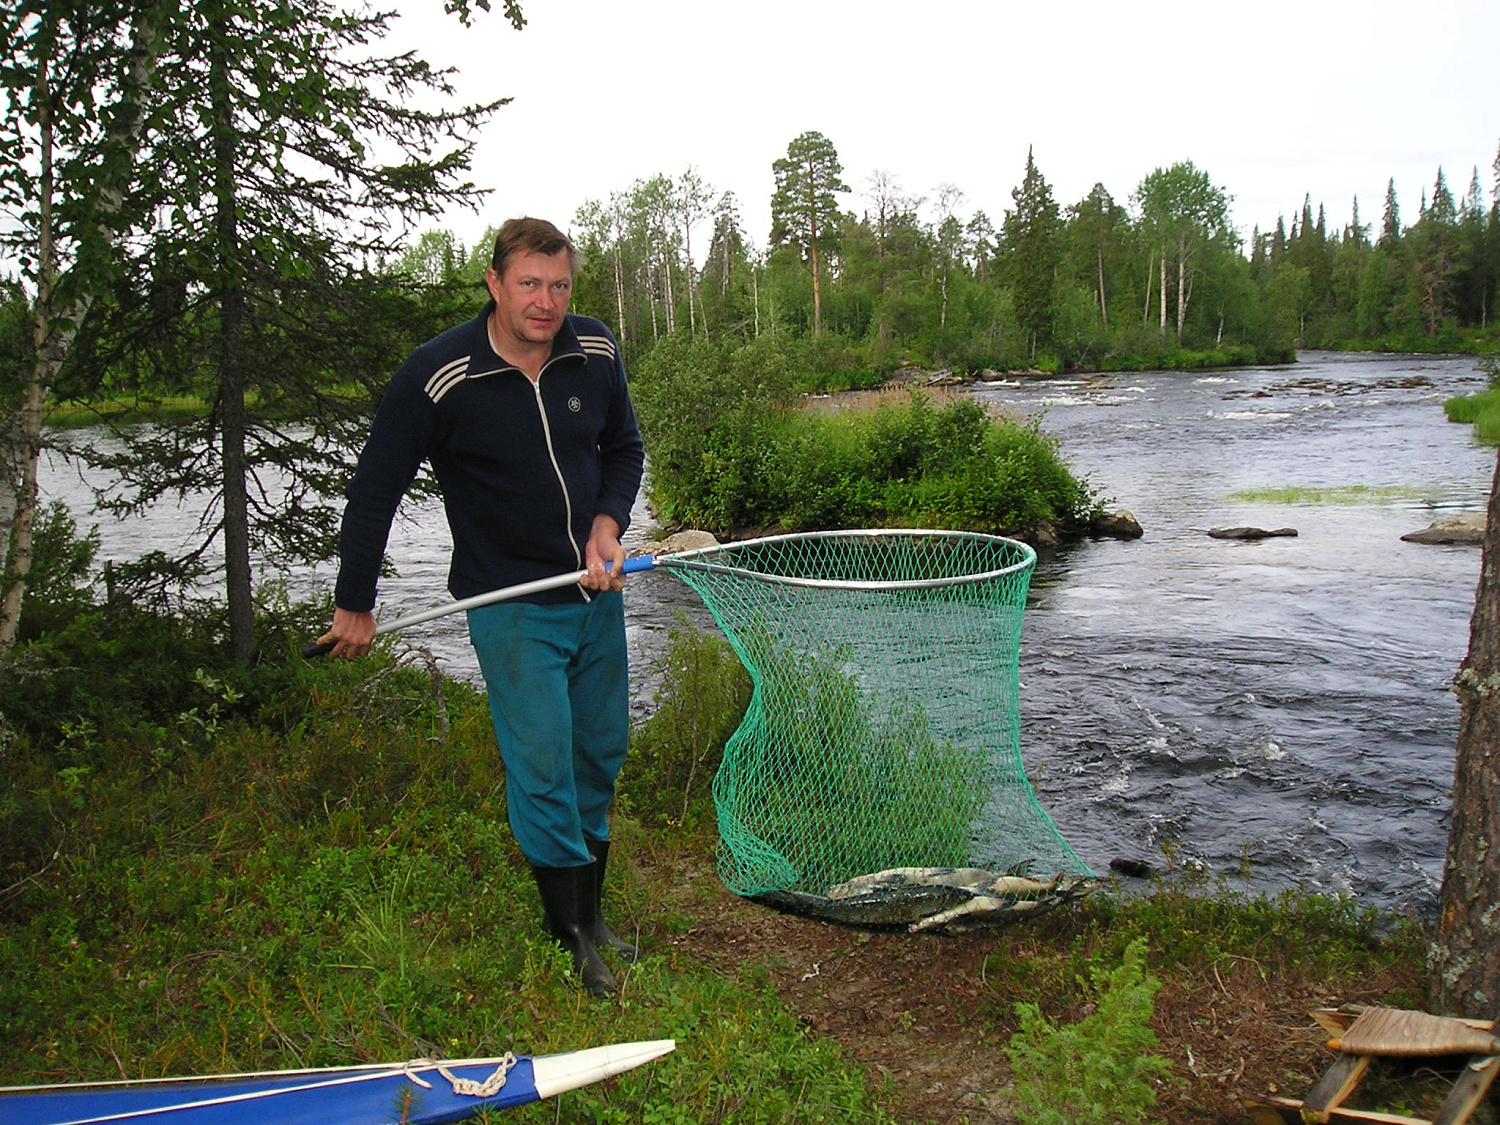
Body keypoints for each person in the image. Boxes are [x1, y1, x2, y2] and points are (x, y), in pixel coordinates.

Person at [318, 217, 645, 997]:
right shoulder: (439, 374)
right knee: (542, 764)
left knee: (600, 749)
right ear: (495, 284)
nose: (546, 302)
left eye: (559, 285)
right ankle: (568, 935)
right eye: (530, 284)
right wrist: (355, 601)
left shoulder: (594, 349)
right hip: (512, 604)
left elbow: (623, 451)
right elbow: (374, 491)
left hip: (594, 595)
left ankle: (592, 914)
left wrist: (608, 523)